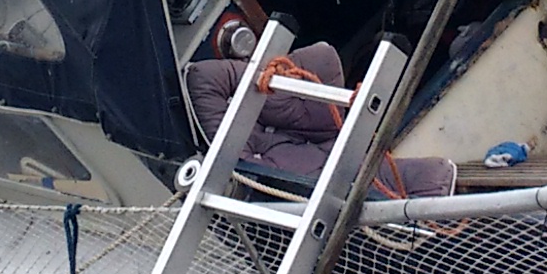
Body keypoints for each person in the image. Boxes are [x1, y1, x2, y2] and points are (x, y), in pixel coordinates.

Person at [183, 38, 455, 197]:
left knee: (435, 176)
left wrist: (269, 80)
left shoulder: (305, 119)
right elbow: (204, 76)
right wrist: (262, 79)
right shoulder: (249, 152)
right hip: (309, 182)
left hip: (331, 148)